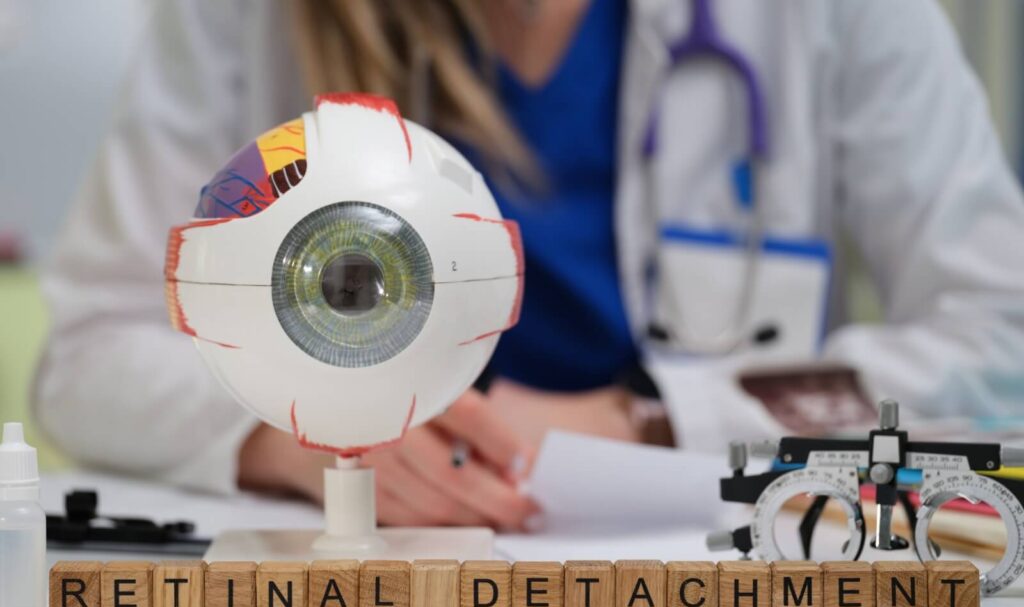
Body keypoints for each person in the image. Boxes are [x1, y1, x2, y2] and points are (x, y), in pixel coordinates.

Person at [33, 0, 1024, 529]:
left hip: (707, 584)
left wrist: (644, 418)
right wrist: (294, 431)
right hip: (368, 587)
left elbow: (1002, 335)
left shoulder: (838, 16)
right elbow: (84, 358)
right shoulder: (242, 17)